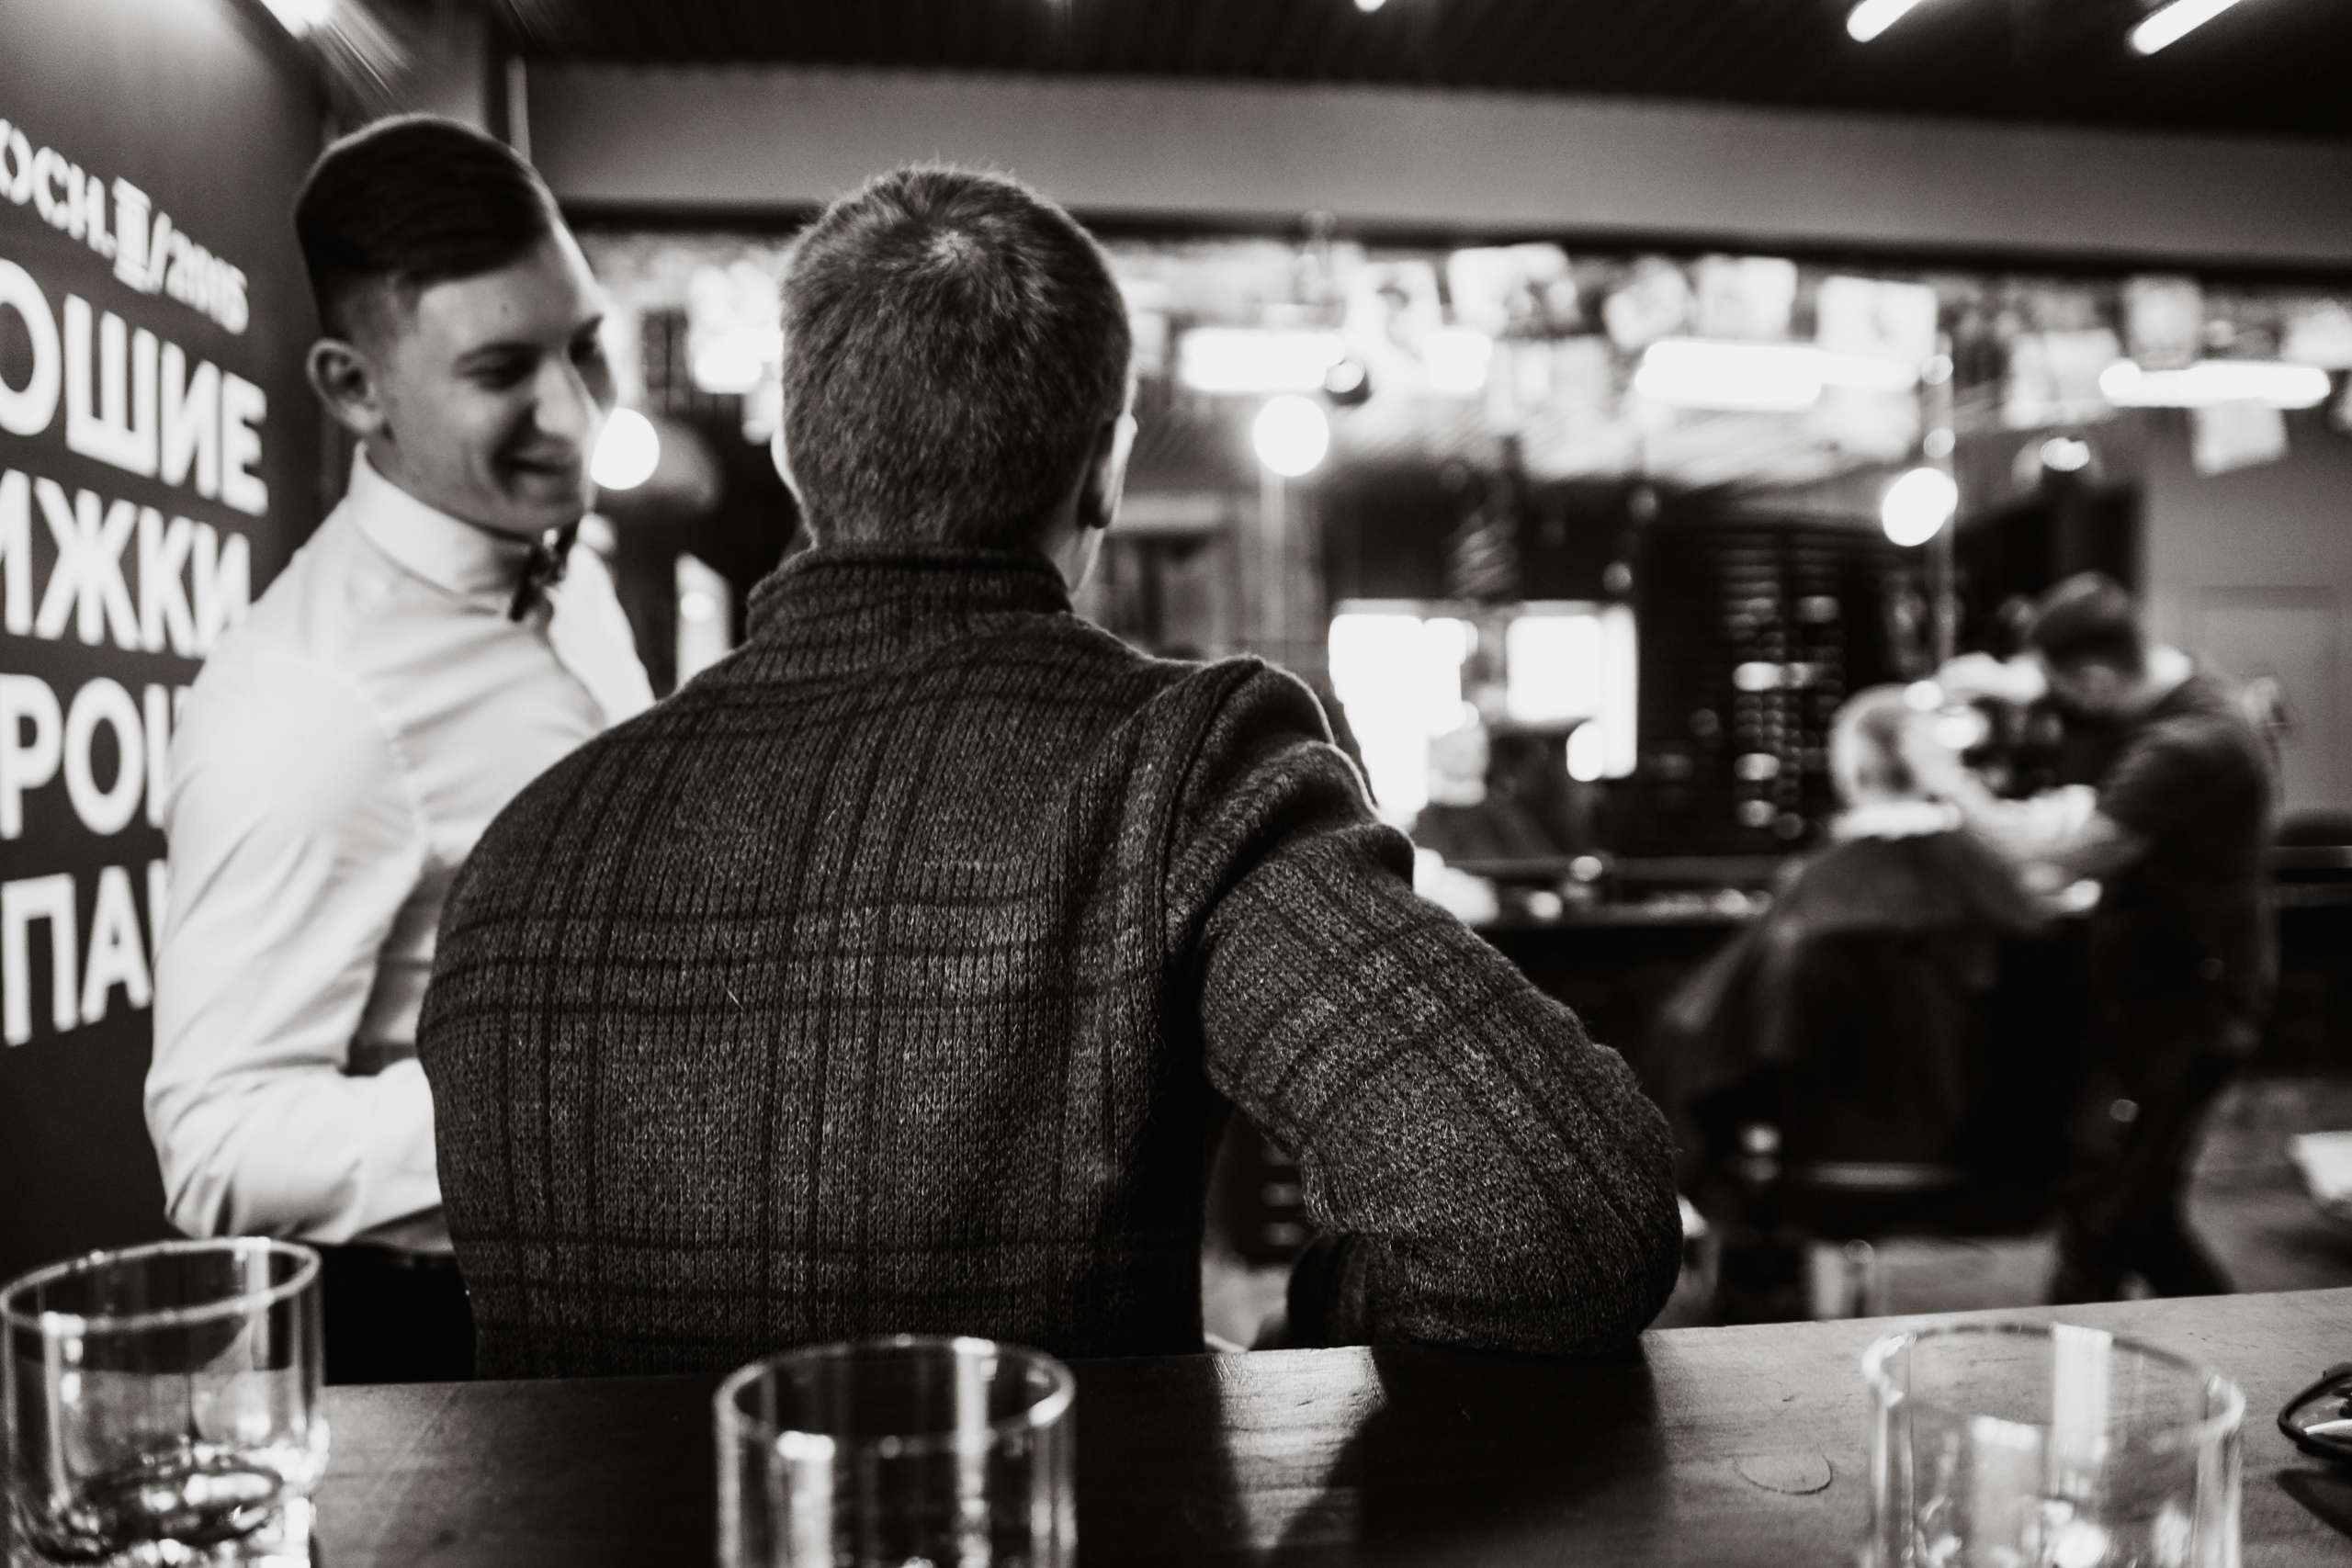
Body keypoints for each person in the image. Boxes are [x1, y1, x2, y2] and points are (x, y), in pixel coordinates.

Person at [416, 164, 1683, 1378]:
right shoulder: (1179, 774)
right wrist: (1282, 1367)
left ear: (800, 456)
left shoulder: (528, 846)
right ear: (1106, 468)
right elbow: (1556, 1226)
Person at [147, 117, 653, 1382]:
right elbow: (217, 1141)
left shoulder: (568, 568)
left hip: (607, 1306)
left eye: (586, 345)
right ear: (353, 388)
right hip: (435, 1347)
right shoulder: (306, 702)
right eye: (502, 371)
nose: (577, 414)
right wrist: (594, 1085)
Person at [1908, 572, 2275, 1302]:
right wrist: (2015, 680)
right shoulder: (2197, 682)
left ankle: (2073, 1394)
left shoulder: (2186, 746)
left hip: (2183, 1013)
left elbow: (2056, 856)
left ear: (2098, 675)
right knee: (2144, 1219)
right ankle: (2241, 1368)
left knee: (2102, 1226)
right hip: (2179, 993)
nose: (2060, 706)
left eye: (2064, 688)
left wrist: (1945, 780)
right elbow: (2079, 689)